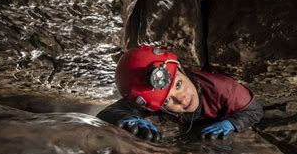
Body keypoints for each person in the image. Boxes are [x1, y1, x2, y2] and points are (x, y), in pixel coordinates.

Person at [96, 45, 263, 141]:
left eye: (179, 85)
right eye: (168, 101)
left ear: (181, 68)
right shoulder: (155, 99)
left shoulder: (224, 89)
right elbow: (108, 112)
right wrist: (127, 119)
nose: (181, 99)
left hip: (221, 117)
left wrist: (232, 124)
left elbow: (255, 110)